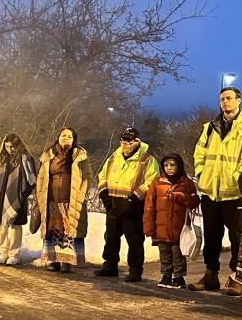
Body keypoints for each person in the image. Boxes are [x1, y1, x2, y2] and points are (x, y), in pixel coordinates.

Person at [190, 86, 242, 291]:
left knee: (237, 236)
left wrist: (239, 178)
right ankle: (210, 275)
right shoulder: (210, 127)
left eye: (229, 98)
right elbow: (198, 154)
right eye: (222, 99)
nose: (225, 102)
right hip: (211, 191)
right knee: (211, 235)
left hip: (235, 192)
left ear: (239, 100)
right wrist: (202, 173)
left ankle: (236, 277)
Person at [95, 127, 160, 282]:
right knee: (110, 237)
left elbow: (151, 181)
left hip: (133, 207)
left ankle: (135, 270)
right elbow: (102, 175)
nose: (127, 143)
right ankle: (110, 266)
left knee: (135, 240)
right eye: (124, 140)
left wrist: (133, 199)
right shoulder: (113, 157)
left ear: (138, 141)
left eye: (131, 140)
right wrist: (104, 195)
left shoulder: (147, 159)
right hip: (113, 204)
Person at [35, 127, 92, 272]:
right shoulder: (49, 155)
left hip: (71, 200)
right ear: (58, 138)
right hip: (52, 199)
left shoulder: (79, 155)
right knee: (53, 230)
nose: (65, 138)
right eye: (63, 135)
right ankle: (53, 260)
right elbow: (41, 177)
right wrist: (40, 192)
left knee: (68, 231)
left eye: (69, 136)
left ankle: (68, 261)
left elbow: (87, 177)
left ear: (74, 139)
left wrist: (80, 194)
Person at [143, 154, 199, 289]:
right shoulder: (157, 183)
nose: (169, 168)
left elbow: (195, 201)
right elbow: (149, 206)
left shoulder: (186, 183)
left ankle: (179, 277)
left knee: (177, 253)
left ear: (178, 166)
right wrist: (148, 226)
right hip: (161, 227)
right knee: (165, 253)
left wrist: (181, 197)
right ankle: (166, 275)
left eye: (172, 165)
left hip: (179, 227)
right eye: (166, 165)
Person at [0, 133, 36, 265]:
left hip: (18, 197)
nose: (9, 149)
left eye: (12, 147)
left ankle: (14, 254)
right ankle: (3, 252)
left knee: (16, 226)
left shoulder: (25, 158)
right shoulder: (0, 156)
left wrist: (23, 195)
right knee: (2, 226)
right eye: (7, 146)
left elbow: (32, 179)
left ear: (17, 146)